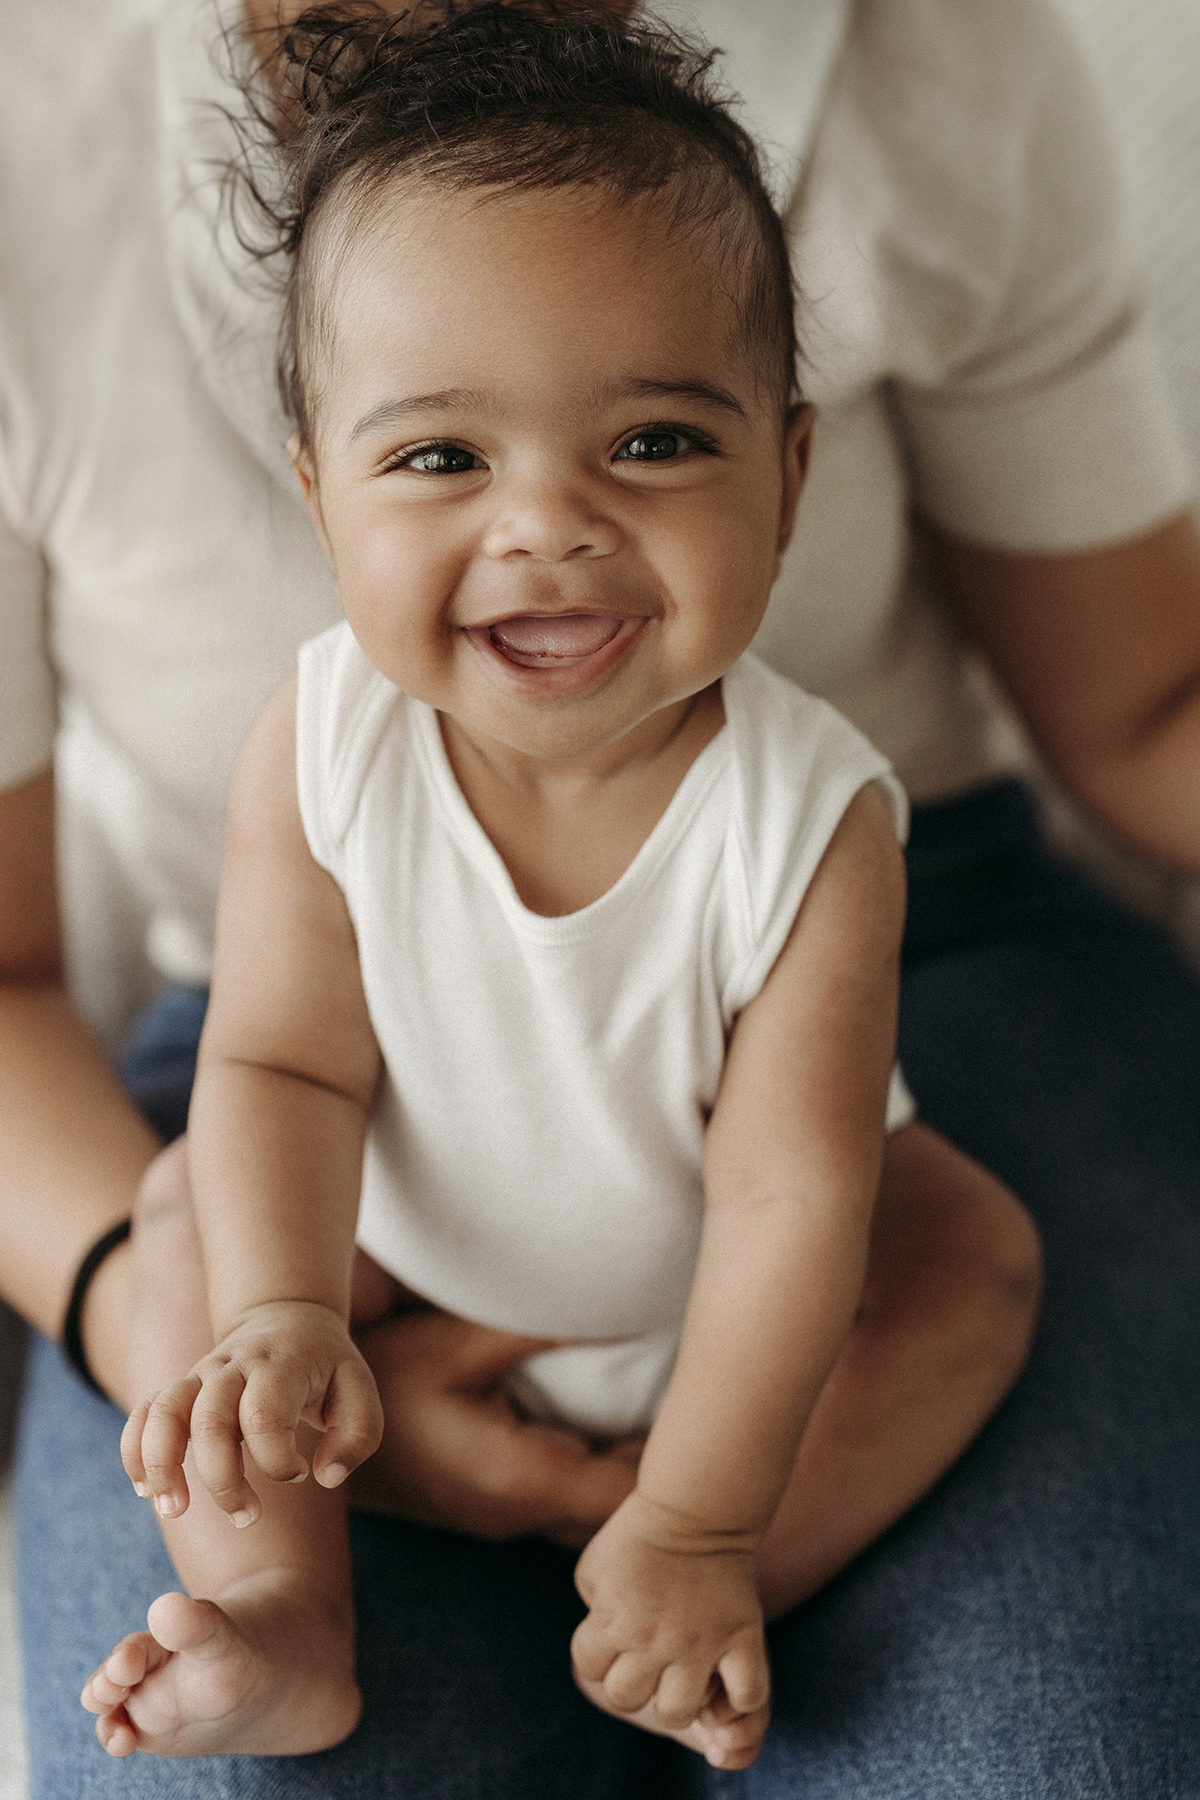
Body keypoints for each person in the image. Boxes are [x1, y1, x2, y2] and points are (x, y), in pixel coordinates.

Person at [2, 0, 1197, 1794]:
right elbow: (283, 1074)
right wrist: (282, 1322)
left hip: (736, 1256)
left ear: (787, 478)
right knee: (184, 1244)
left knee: (971, 1269)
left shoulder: (813, 817)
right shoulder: (321, 750)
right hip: (404, 1217)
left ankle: (682, 1580)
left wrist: (706, 1510)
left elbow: (796, 1193)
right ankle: (292, 1629)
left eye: (653, 444)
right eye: (439, 460)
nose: (547, 523)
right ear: (320, 496)